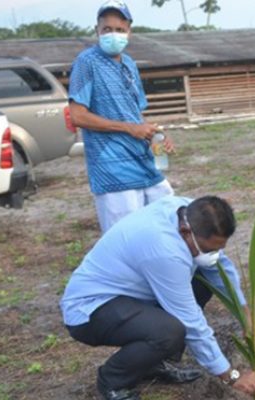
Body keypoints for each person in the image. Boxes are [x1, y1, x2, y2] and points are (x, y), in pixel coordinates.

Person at [60, 195, 255, 400]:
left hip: (133, 297)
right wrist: (231, 376)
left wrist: (246, 317)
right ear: (187, 232)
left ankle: (152, 364)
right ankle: (113, 381)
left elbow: (219, 267)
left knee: (203, 279)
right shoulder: (164, 250)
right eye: (208, 249)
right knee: (170, 331)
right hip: (91, 309)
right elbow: (190, 322)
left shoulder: (190, 212)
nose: (212, 255)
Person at [68, 0, 176, 233]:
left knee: (167, 222)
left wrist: (156, 134)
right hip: (111, 166)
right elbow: (77, 116)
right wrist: (129, 128)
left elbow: (135, 115)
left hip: (142, 161)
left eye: (120, 29)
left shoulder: (129, 64)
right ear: (97, 30)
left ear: (129, 32)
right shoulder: (87, 62)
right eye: (107, 29)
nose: (113, 34)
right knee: (126, 237)